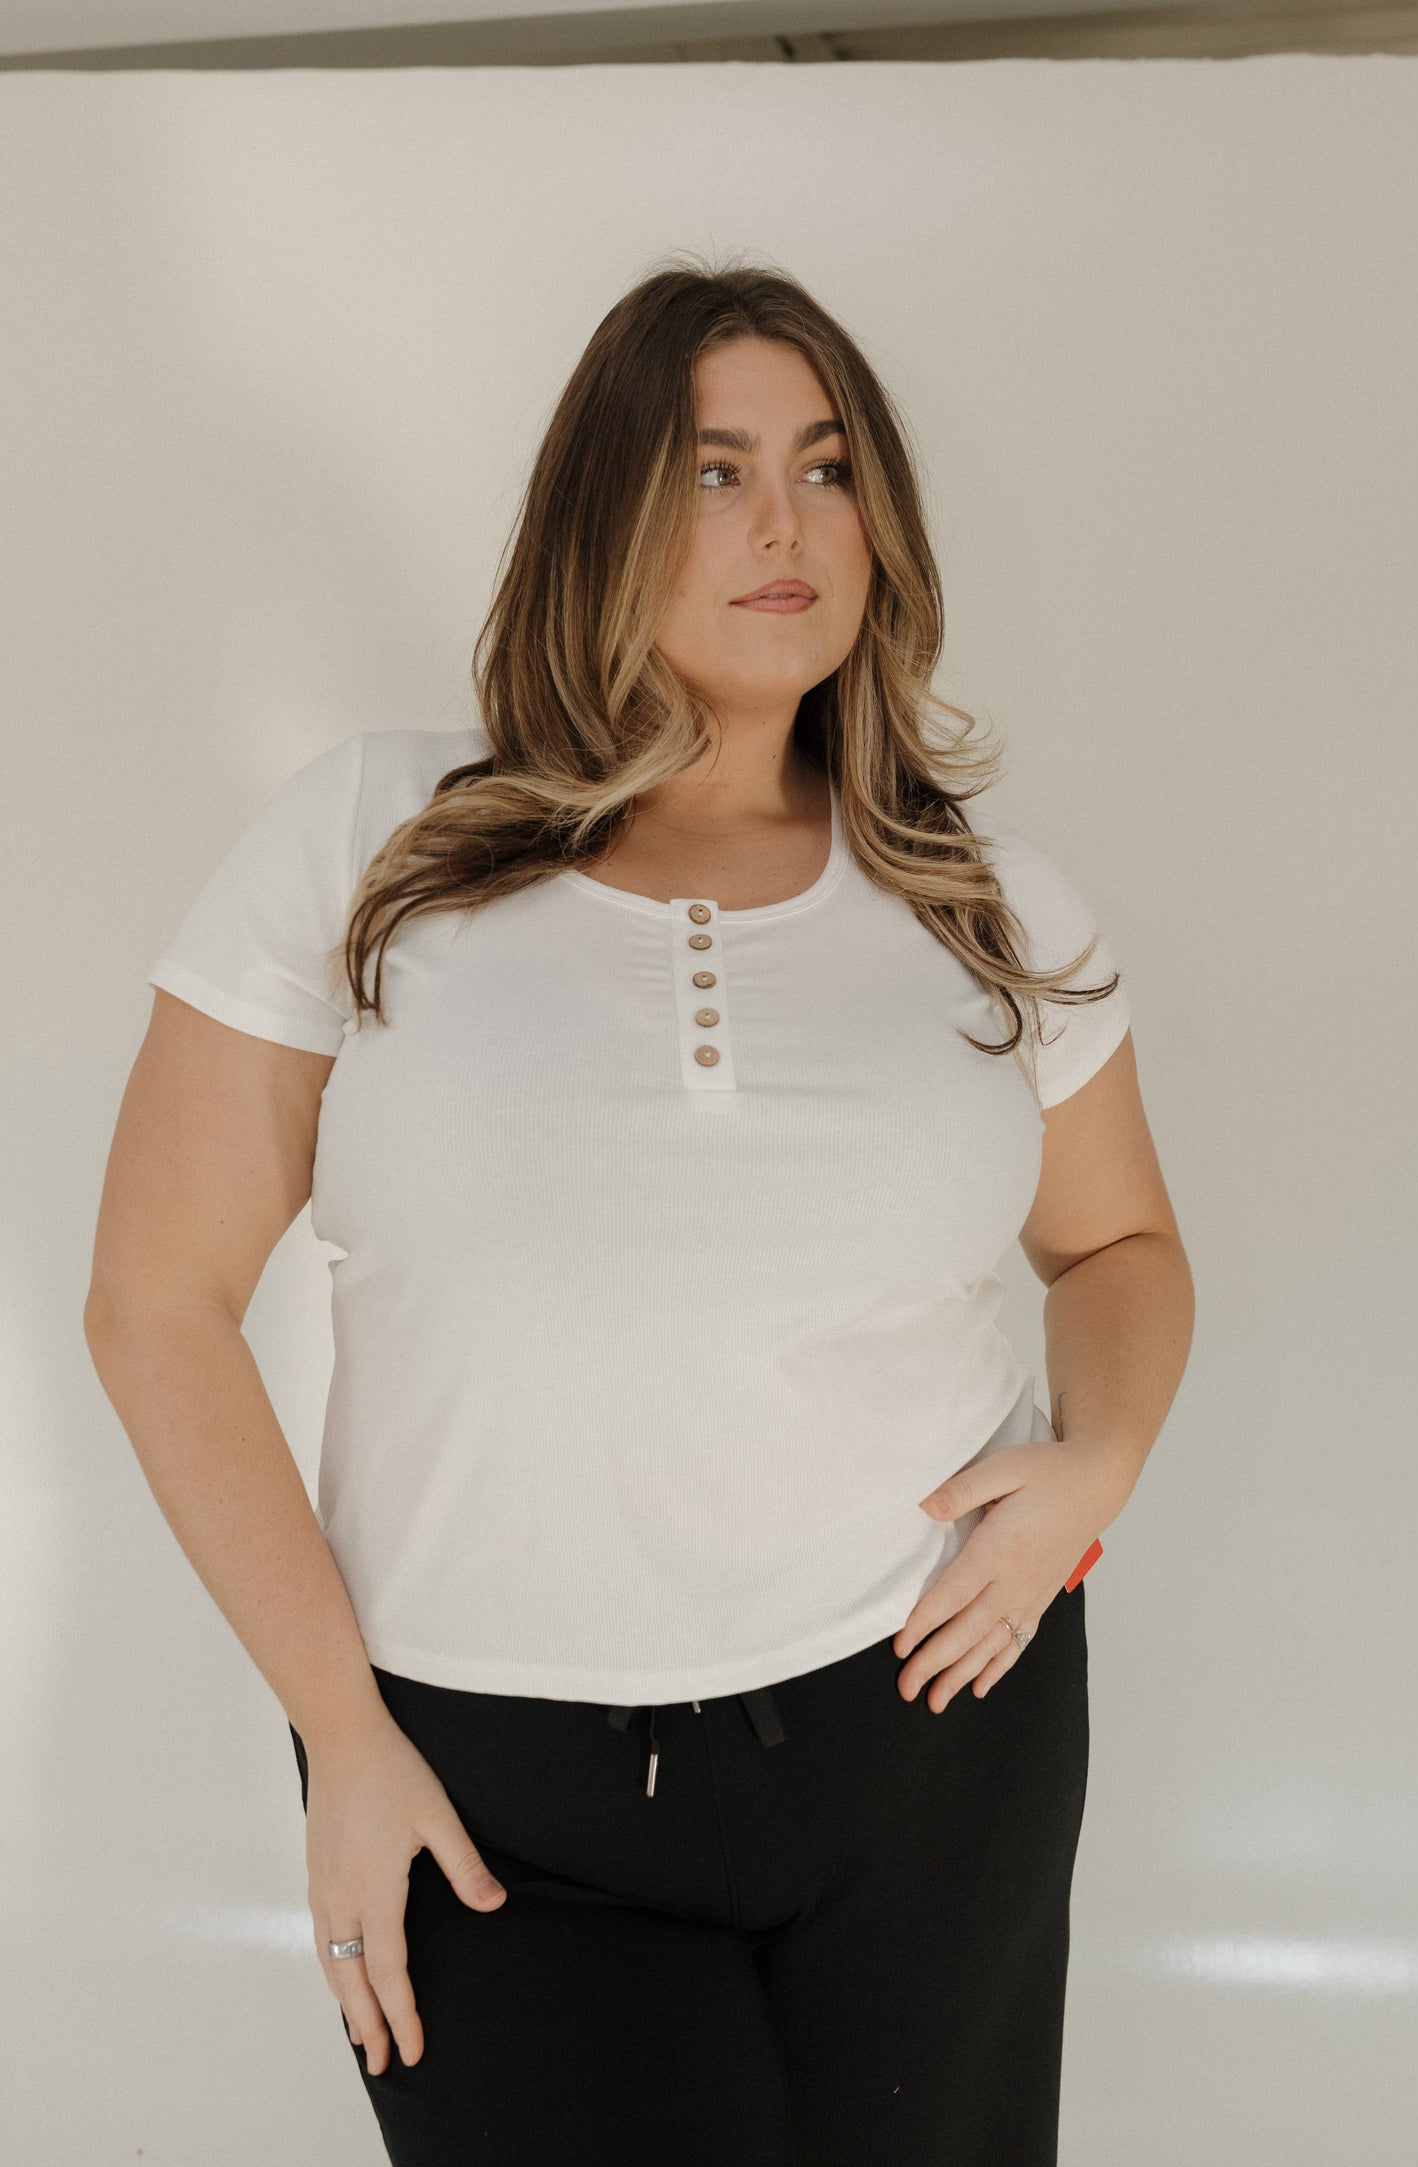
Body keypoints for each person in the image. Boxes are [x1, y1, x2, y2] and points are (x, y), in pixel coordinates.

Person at [85, 256, 1194, 2166]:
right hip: (484, 1788)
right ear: (598, 510)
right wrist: (338, 1738)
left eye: (828, 467)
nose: (784, 524)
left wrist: (1096, 1460)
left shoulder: (981, 899)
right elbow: (154, 1302)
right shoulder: (377, 842)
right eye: (709, 470)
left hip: (930, 1735)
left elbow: (1118, 1250)